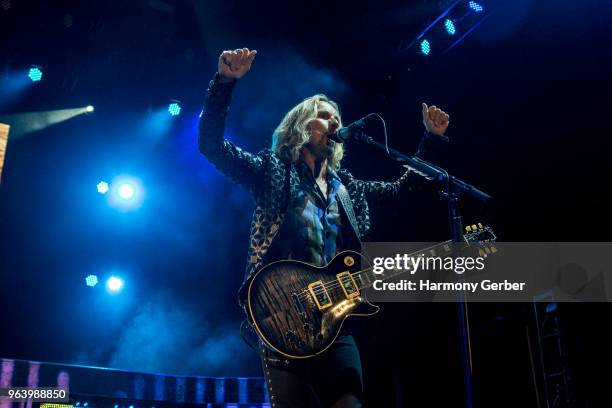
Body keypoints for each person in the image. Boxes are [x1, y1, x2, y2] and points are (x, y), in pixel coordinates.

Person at [198, 47, 450, 408]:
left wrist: (431, 140)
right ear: (299, 126)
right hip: (281, 313)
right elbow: (211, 146)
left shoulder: (346, 188)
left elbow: (401, 189)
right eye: (324, 115)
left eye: (336, 117)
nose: (334, 122)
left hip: (336, 323)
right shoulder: (274, 171)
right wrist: (224, 83)